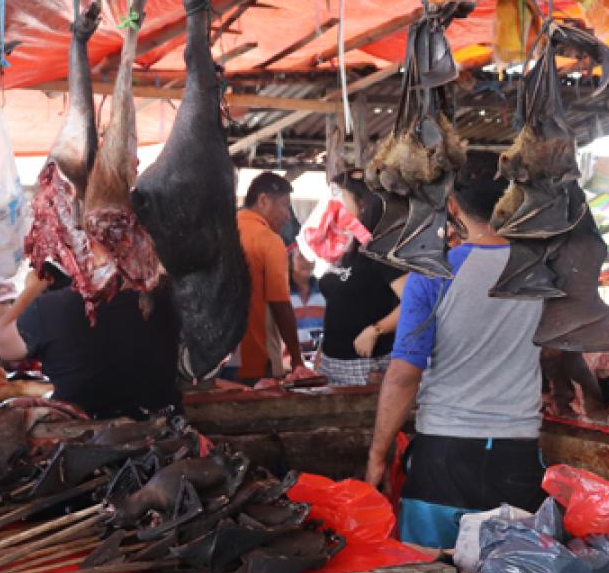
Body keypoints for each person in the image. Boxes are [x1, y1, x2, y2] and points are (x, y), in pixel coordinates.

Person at [364, 153, 546, 549]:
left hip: (444, 457)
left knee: (430, 569)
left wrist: (378, 455)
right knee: (515, 571)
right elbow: (558, 351)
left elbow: (404, 375)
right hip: (517, 456)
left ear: (452, 206)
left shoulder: (433, 274)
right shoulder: (542, 271)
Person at [0, 265, 180, 419]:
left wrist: (34, 287)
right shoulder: (164, 292)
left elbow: (2, 346)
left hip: (81, 435)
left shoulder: (49, 308)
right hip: (167, 425)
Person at [317, 172, 406, 386]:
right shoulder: (349, 247)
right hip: (330, 362)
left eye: (340, 195)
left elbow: (414, 301)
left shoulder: (381, 250)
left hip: (364, 365)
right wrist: (322, 350)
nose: (334, 203)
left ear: (363, 204)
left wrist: (376, 330)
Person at [227, 172, 303, 385]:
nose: (288, 216)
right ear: (263, 201)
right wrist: (297, 359)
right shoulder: (268, 240)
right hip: (254, 358)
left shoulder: (223, 231)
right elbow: (281, 305)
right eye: (284, 206)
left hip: (215, 358)